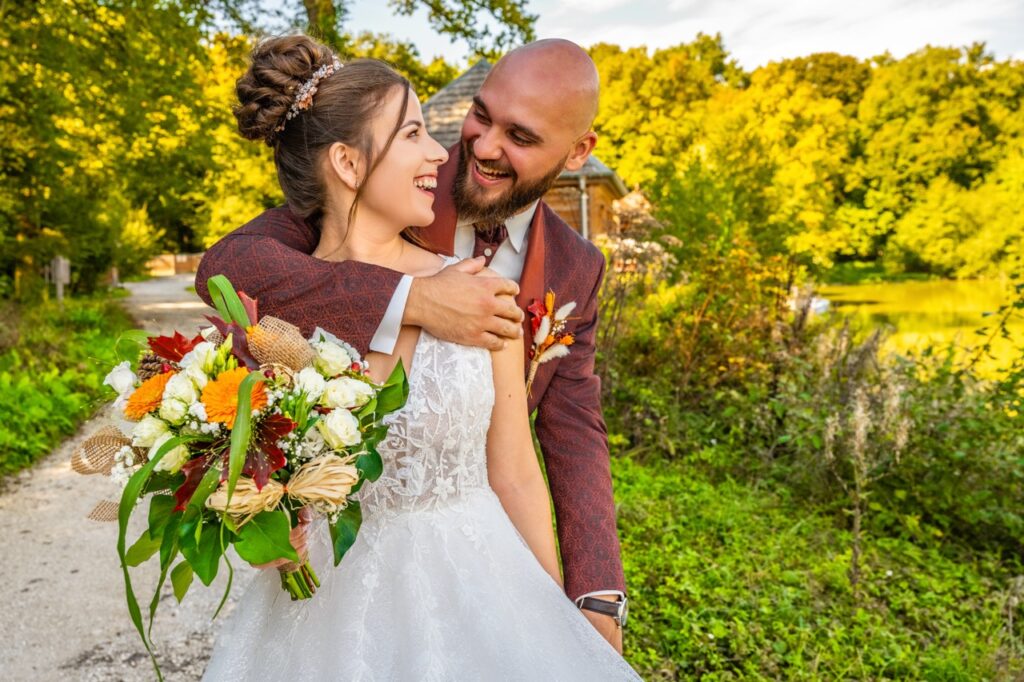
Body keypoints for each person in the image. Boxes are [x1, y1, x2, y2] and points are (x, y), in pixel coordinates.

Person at [199, 36, 640, 680]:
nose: (475, 148)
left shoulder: (574, 267)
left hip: (474, 569)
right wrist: (416, 300)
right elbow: (231, 273)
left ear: (577, 153)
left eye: (520, 136)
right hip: (329, 598)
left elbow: (562, 438)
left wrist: (578, 608)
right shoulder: (367, 197)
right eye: (481, 116)